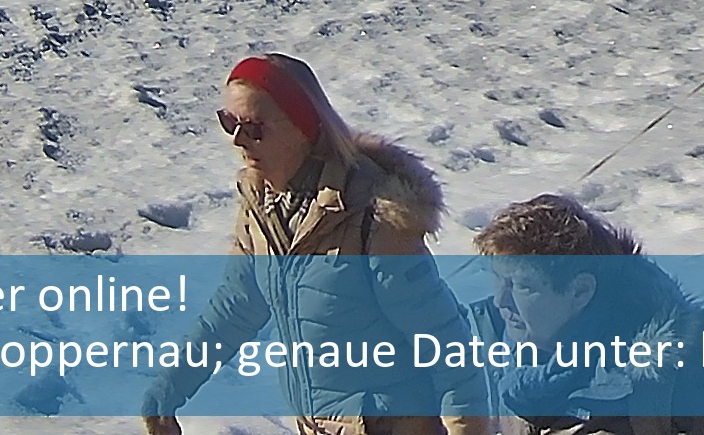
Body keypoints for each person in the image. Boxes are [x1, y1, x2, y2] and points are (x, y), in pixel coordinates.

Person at [139, 52, 493, 435]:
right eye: (230, 123)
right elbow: (237, 306)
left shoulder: (372, 215)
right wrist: (170, 387)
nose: (239, 140)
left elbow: (444, 341)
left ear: (303, 127)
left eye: (255, 126)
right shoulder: (261, 207)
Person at [470, 194, 704, 433]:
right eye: (497, 280)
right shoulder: (503, 344)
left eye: (523, 286)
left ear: (580, 291)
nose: (500, 301)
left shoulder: (683, 369)